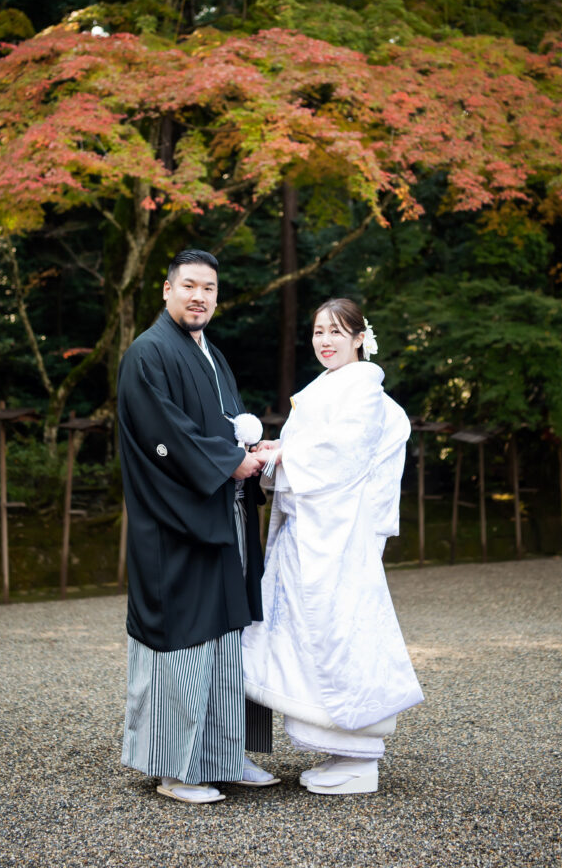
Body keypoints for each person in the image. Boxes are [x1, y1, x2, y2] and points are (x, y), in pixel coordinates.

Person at [242, 298, 424, 795]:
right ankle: (341, 750)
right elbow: (315, 451)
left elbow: (338, 458)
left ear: (360, 337)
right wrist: (279, 452)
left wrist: (279, 456)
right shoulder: (329, 388)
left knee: (337, 631)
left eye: (336, 332)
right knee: (310, 633)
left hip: (337, 536)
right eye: (318, 331)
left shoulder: (363, 393)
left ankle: (359, 756)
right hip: (314, 532)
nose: (324, 341)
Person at [117, 249, 279, 804]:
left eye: (208, 288)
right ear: (166, 290)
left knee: (228, 638)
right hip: (174, 523)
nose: (199, 297)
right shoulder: (148, 353)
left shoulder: (211, 353)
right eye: (189, 286)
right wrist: (227, 462)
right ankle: (176, 769)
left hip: (220, 513)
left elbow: (225, 426)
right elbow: (168, 434)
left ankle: (224, 756)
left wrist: (250, 449)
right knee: (184, 641)